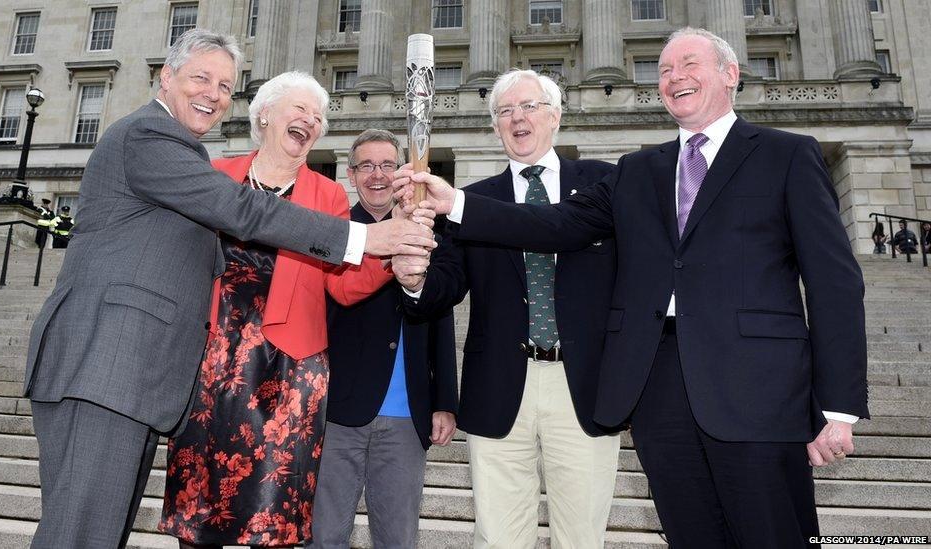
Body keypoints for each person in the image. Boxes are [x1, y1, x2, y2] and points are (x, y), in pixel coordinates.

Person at [396, 27, 868, 548]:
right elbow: (556, 226)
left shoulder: (788, 155)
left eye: (689, 65)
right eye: (664, 70)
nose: (674, 78)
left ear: (730, 74)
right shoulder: (638, 170)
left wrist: (838, 407)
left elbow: (833, 282)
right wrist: (455, 204)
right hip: (659, 391)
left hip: (759, 390)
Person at [23, 29, 435, 549]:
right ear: (166, 77)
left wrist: (392, 256)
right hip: (119, 364)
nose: (214, 94)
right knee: (84, 530)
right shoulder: (158, 141)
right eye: (202, 78)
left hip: (218, 375)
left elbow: (340, 283)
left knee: (97, 529)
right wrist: (366, 235)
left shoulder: (304, 187)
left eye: (224, 85)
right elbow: (244, 210)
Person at [158, 73, 398, 547]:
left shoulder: (327, 195)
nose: (311, 120)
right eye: (301, 109)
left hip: (290, 370)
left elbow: (344, 288)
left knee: (276, 521)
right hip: (208, 362)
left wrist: (394, 257)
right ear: (264, 114)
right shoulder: (215, 174)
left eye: (318, 116)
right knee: (199, 513)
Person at [395, 70, 621, 548]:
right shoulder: (473, 200)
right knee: (497, 538)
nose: (517, 118)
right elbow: (447, 285)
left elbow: (560, 230)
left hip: (584, 386)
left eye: (530, 107)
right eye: (505, 111)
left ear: (556, 116)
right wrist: (414, 279)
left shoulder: (604, 182)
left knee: (582, 538)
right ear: (495, 126)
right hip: (499, 386)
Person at [309, 129, 459, 548]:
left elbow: (441, 316)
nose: (377, 175)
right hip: (337, 409)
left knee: (397, 538)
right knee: (324, 536)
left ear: (401, 174)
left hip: (406, 411)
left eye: (388, 165)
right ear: (352, 174)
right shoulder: (331, 231)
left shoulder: (430, 229)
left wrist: (445, 399)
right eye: (366, 166)